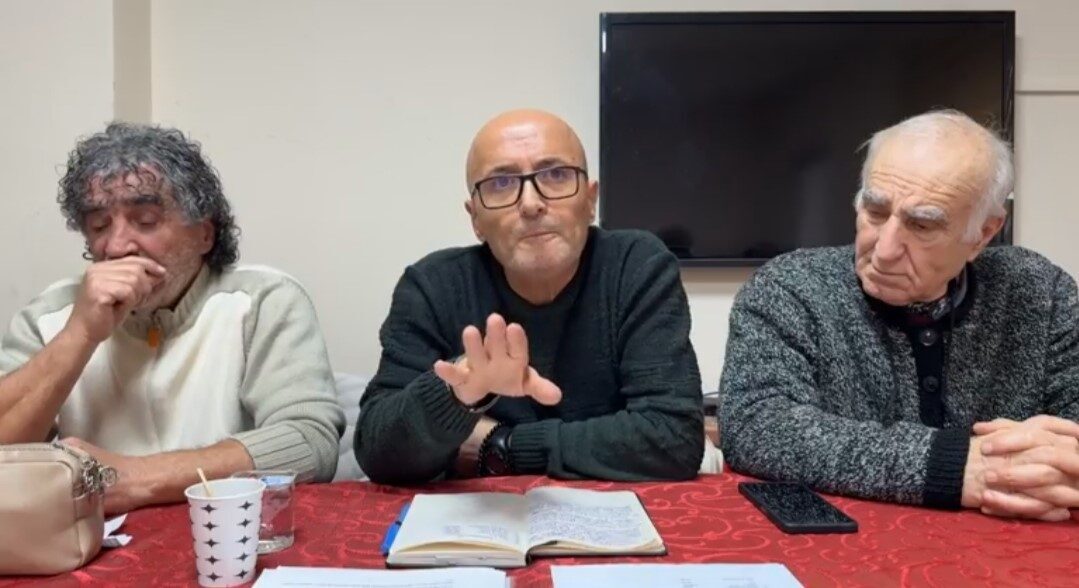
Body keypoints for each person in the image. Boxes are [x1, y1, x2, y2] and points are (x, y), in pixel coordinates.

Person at [720, 109, 1079, 521]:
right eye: (875, 211)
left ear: (982, 234)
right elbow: (757, 426)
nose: (885, 250)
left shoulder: (1041, 292)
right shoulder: (791, 287)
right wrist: (953, 467)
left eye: (922, 226)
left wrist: (1060, 466)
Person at [0, 123, 344, 513]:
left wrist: (136, 479)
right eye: (99, 226)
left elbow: (309, 442)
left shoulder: (263, 301)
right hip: (88, 544)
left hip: (229, 536)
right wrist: (79, 335)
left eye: (146, 221)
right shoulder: (48, 316)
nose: (116, 246)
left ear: (204, 235)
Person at [355, 109, 705, 484]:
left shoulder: (636, 267)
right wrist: (458, 394)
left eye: (555, 175)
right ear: (475, 219)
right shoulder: (432, 285)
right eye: (501, 183)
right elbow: (377, 450)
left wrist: (499, 445)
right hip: (476, 517)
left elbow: (673, 439)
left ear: (590, 200)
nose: (531, 204)